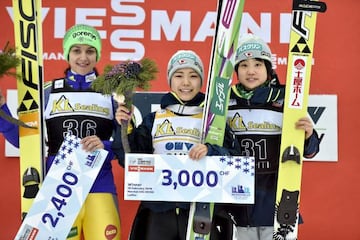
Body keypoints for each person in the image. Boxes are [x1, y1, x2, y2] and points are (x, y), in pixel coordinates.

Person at [0, 24, 121, 240]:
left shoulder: (113, 94)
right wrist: (1, 110)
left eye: (90, 51)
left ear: (97, 54)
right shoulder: (47, 91)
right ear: (67, 54)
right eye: (76, 50)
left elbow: (127, 146)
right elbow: (24, 141)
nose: (83, 57)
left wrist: (107, 146)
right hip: (59, 189)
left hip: (99, 184)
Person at [114, 50, 239, 240]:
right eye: (179, 75)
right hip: (159, 211)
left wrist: (210, 150)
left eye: (193, 76)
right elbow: (129, 160)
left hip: (201, 211)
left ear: (201, 81)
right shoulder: (154, 119)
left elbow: (235, 160)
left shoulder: (213, 121)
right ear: (170, 80)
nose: (186, 83)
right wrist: (125, 128)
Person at [215, 34, 321, 240]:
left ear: (268, 68)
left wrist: (308, 136)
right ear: (236, 70)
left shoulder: (286, 101)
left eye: (257, 64)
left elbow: (310, 151)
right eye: (244, 65)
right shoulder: (225, 103)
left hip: (275, 199)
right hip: (235, 200)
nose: (251, 71)